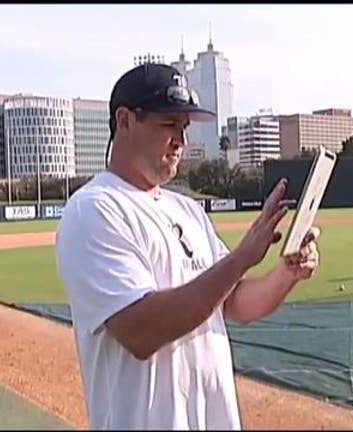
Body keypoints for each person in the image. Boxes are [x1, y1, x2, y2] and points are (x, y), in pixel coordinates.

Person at [54, 63, 321, 430]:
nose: (181, 140)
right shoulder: (94, 209)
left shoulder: (188, 210)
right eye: (168, 125)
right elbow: (140, 331)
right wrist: (242, 257)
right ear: (126, 120)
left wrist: (286, 273)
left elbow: (236, 303)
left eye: (184, 127)